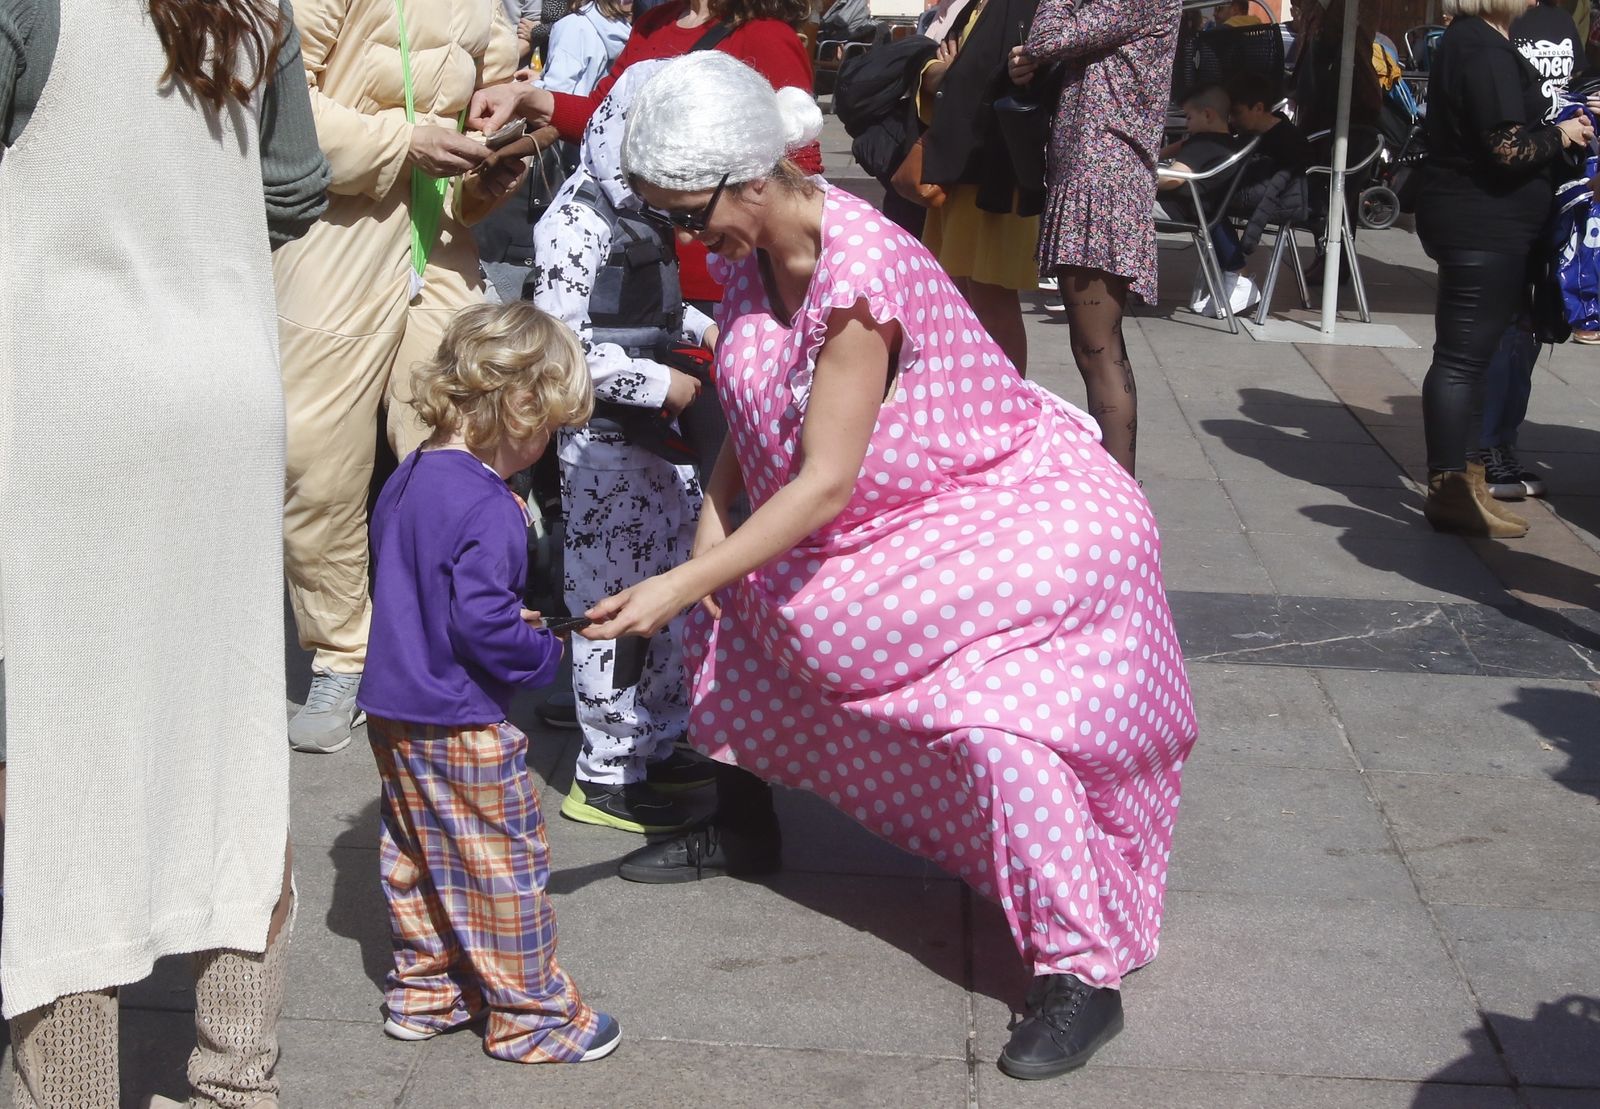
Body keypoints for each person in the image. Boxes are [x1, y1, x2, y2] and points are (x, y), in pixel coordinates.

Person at [584, 52, 1198, 1082]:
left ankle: (1079, 973)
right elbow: (748, 395)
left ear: (751, 178)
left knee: (999, 728)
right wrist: (710, 542)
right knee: (739, 599)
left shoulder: (858, 272)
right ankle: (740, 823)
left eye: (692, 216)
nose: (691, 240)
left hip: (1001, 530)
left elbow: (823, 480)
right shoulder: (754, 248)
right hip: (881, 522)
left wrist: (682, 581)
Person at [0, 0, 327, 1103]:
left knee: (63, 768)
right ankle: (238, 1077)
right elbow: (293, 189)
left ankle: (75, 1088)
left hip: (65, 394)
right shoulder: (254, 5)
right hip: (225, 393)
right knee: (232, 738)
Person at [357, 301, 622, 1063]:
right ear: (517, 409)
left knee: (417, 853)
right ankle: (532, 1016)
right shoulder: (491, 504)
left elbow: (428, 591)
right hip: (461, 715)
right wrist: (541, 656)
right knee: (503, 864)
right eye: (546, 429)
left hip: (395, 706)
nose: (543, 448)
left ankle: (428, 989)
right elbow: (481, 625)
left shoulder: (408, 476)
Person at [276, 0, 525, 754]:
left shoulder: (493, 9)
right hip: (335, 234)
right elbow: (280, 107)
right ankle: (341, 652)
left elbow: (488, 111)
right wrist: (403, 141)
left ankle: (451, 640)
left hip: (441, 240)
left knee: (463, 443)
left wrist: (491, 166)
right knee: (316, 461)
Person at [529, 64, 720, 832]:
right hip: (603, 448)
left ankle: (659, 742)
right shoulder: (574, 224)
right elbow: (562, 345)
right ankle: (606, 768)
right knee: (612, 613)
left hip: (654, 449)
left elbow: (651, 310)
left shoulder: (640, 217)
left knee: (665, 602)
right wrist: (657, 382)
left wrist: (705, 330)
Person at [1416, 0, 1592, 536]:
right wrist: (1563, 135)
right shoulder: (1482, 47)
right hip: (1480, 225)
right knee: (1462, 359)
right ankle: (1450, 488)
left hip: (1489, 224)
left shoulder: (1477, 42)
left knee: (1477, 356)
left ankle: (1468, 482)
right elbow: (1505, 147)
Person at [1009, 0, 1180, 475]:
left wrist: (1041, 44)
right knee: (1094, 349)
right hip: (1091, 176)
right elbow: (1052, 49)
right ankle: (1119, 488)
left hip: (1102, 180)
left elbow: (1046, 37)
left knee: (1098, 348)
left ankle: (1121, 492)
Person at [1477, 0, 1588, 500]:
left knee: (1528, 331)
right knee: (1504, 326)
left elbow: (1574, 88)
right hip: (1504, 198)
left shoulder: (1563, 21)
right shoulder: (1492, 25)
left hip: (1556, 191)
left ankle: (1502, 442)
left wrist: (1587, 108)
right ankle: (1485, 448)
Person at [916, 0, 1042, 374]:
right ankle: (967, 393)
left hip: (997, 172)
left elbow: (980, 73)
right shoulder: (973, 6)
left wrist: (943, 73)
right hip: (960, 169)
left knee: (990, 296)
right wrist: (938, 73)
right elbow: (938, 67)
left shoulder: (1022, 5)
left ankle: (1009, 405)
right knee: (956, 293)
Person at [1157, 85, 1260, 318]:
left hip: (1173, 209)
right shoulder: (1226, 144)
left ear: (1208, 115)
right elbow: (1178, 150)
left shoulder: (1203, 144)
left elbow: (1173, 178)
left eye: (1189, 117)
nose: (1186, 124)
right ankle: (1237, 276)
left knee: (1108, 209)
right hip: (1201, 211)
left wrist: (1139, 179)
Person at [545, 0, 636, 95]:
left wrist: (535, 87)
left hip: (574, 107)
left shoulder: (573, 26)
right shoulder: (623, 29)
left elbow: (555, 92)